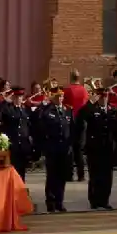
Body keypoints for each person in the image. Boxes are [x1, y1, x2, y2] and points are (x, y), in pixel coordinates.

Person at [77, 86, 117, 210]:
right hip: (94, 148)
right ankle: (94, 201)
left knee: (107, 176)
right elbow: (81, 116)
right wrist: (90, 102)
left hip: (108, 148)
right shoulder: (91, 109)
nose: (104, 99)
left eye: (106, 96)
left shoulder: (112, 110)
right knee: (95, 175)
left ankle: (104, 200)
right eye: (101, 97)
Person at [38, 85, 74, 213]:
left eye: (62, 96)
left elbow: (72, 129)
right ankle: (51, 202)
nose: (60, 99)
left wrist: (71, 145)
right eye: (57, 97)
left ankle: (60, 201)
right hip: (52, 148)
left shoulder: (67, 110)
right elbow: (41, 127)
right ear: (53, 98)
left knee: (62, 176)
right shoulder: (47, 111)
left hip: (64, 149)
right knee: (52, 176)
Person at [0, 89, 34, 181]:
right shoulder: (8, 109)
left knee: (22, 169)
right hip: (13, 142)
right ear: (13, 98)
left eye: (20, 97)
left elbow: (29, 125)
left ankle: (21, 185)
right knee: (13, 168)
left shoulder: (25, 109)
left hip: (24, 143)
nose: (19, 99)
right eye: (16, 97)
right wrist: (5, 102)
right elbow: (1, 115)